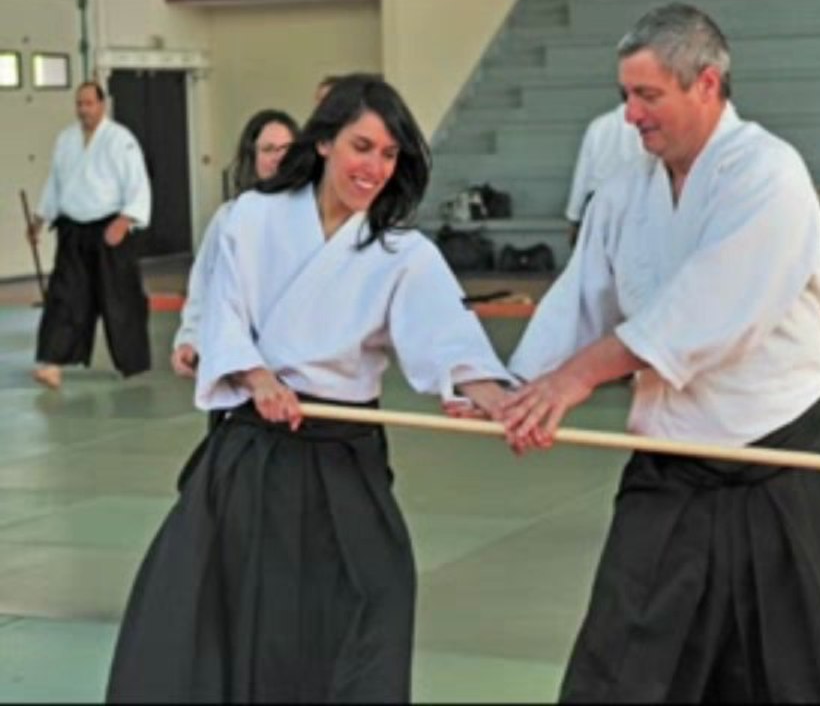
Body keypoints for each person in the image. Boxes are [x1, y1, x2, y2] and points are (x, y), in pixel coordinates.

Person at [499, 3, 820, 703]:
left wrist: (578, 378)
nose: (630, 115)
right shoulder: (624, 194)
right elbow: (581, 297)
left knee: (805, 677)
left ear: (706, 84)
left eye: (647, 95)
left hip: (782, 458)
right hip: (673, 465)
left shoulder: (769, 174)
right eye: (625, 95)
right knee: (620, 673)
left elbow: (707, 311)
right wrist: (513, 390)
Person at [106, 74, 511, 703]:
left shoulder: (401, 250)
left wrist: (494, 397)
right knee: (238, 616)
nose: (374, 167)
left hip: (345, 452)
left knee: (376, 595)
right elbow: (222, 310)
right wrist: (255, 375)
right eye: (361, 146)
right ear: (324, 143)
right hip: (255, 450)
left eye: (388, 154)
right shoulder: (252, 217)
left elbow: (448, 337)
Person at [27, 81, 152, 389]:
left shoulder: (120, 140)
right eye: (79, 104)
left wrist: (124, 221)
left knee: (119, 299)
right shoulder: (66, 140)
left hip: (110, 229)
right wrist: (40, 219)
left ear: (102, 105)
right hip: (74, 229)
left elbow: (137, 184)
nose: (83, 110)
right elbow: (55, 183)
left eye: (89, 103)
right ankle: (52, 363)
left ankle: (132, 362)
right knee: (64, 297)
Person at [170, 109, 301, 379]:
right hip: (239, 362)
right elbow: (205, 284)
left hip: (299, 364)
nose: (279, 157)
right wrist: (190, 338)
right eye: (268, 149)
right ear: (252, 158)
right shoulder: (230, 217)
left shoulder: (314, 215)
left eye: (287, 148)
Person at [564, 103, 644, 246]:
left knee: (599, 259)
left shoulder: (598, 125)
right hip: (634, 201)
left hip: (598, 202)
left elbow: (582, 174)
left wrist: (574, 217)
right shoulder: (645, 126)